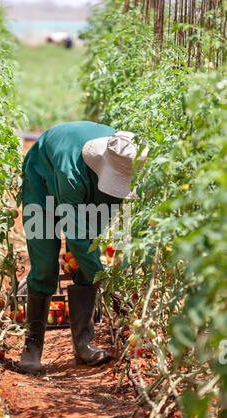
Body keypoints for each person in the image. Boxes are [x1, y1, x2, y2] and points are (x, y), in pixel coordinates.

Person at [17, 121, 148, 375]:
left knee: (89, 258)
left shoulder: (124, 153)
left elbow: (88, 240)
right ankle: (32, 345)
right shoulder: (71, 171)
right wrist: (108, 283)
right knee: (45, 262)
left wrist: (95, 269)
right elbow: (75, 239)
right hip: (42, 180)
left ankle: (83, 343)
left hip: (85, 180)